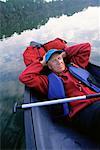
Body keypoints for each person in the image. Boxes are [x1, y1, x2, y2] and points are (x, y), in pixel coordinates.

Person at [19, 42, 100, 140]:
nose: (59, 62)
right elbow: (25, 77)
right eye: (53, 61)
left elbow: (86, 47)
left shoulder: (76, 65)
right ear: (49, 66)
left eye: (59, 58)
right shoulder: (46, 81)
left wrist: (65, 53)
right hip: (82, 112)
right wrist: (42, 63)